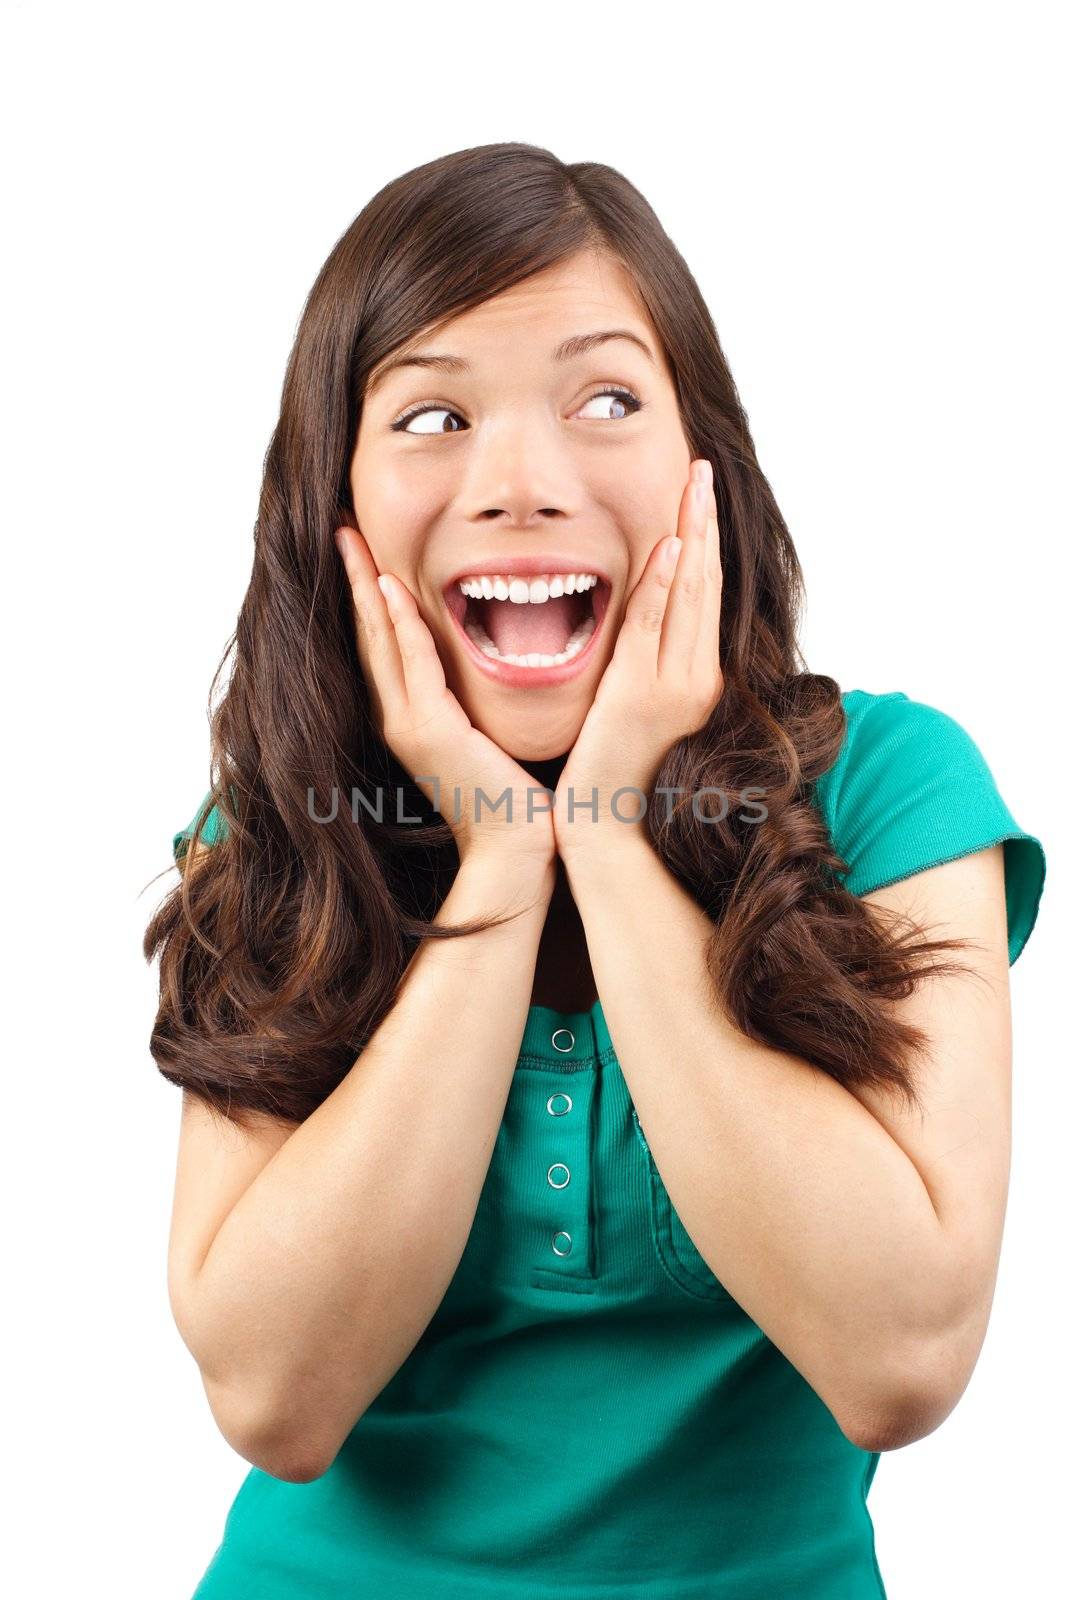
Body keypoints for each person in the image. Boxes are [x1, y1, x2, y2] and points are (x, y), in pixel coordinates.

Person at [145, 141, 1046, 1599]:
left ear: (708, 471)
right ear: (341, 501)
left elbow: (902, 1359)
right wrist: (504, 857)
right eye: (433, 414)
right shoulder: (279, 828)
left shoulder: (893, 792)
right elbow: (273, 1396)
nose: (522, 485)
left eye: (607, 399)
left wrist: (609, 834)